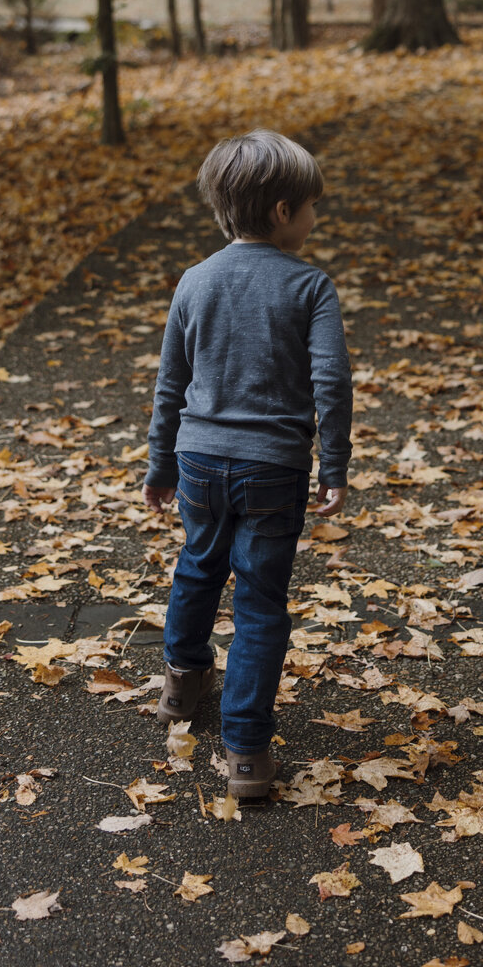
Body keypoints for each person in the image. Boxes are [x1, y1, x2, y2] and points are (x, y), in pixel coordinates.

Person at [143, 130, 352, 801]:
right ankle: (247, 753)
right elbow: (332, 382)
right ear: (284, 211)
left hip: (199, 461)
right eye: (313, 206)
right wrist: (334, 464)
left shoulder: (194, 280)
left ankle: (180, 686)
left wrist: (159, 463)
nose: (317, 219)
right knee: (261, 602)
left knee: (198, 564)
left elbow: (170, 385)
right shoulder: (310, 285)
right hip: (272, 467)